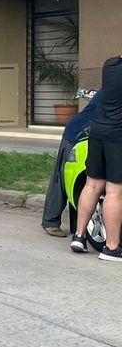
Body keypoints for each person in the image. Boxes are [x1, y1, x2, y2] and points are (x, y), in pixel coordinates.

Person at [74, 56, 122, 260]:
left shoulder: (110, 65)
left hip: (98, 131)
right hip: (118, 135)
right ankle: (112, 247)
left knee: (92, 184)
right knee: (114, 190)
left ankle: (79, 235)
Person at [41, 93, 99, 236]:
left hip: (92, 132)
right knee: (63, 177)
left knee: (79, 179)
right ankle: (51, 221)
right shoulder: (115, 84)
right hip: (78, 132)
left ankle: (76, 226)